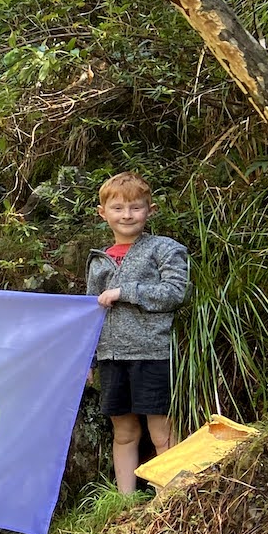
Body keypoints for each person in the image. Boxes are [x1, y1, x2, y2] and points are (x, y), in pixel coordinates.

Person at [86, 172, 189, 497]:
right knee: (125, 431)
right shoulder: (98, 260)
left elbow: (175, 292)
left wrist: (125, 291)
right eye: (118, 208)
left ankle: (169, 498)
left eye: (135, 207)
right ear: (103, 214)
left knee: (161, 430)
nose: (127, 215)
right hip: (111, 358)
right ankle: (125, 502)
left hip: (151, 354)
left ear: (150, 210)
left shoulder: (164, 249)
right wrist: (87, 359)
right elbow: (90, 313)